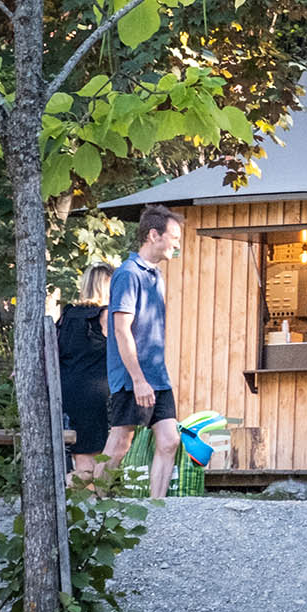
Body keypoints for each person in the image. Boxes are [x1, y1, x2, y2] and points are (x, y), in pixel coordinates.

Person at [103, 203, 184, 499]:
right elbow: (122, 330)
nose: (177, 244)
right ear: (153, 235)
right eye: (173, 237)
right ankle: (93, 503)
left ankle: (157, 507)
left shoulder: (156, 276)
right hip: (131, 376)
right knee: (121, 440)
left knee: (169, 440)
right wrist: (138, 379)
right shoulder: (128, 274)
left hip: (157, 376)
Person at [55, 263, 115, 483]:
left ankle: (82, 504)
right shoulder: (106, 315)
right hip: (94, 392)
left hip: (67, 389)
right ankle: (63, 494)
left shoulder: (67, 315)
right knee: (93, 462)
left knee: (83, 455)